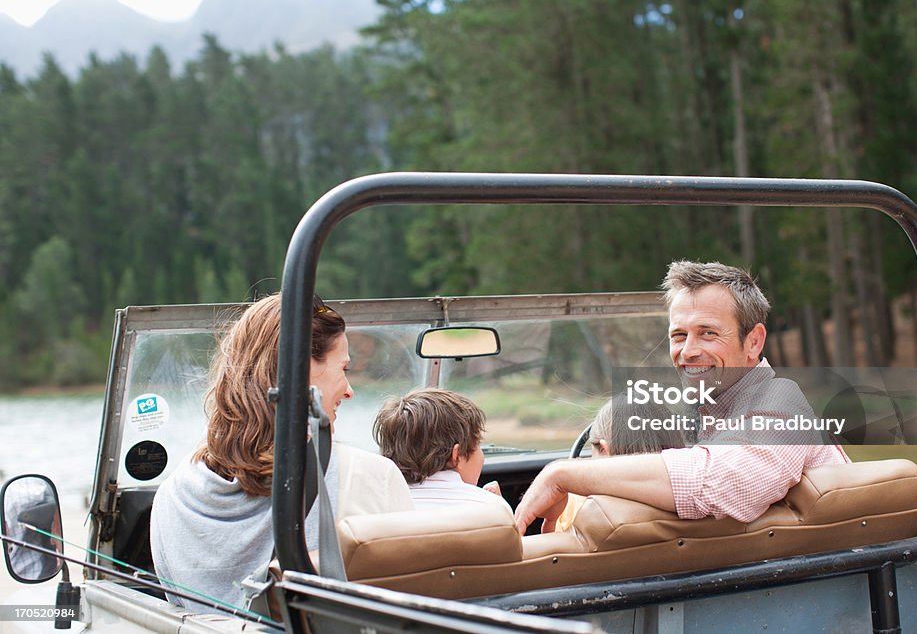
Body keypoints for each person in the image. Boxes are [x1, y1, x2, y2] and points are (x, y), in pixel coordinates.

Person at [514, 259, 850, 535]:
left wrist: (564, 475)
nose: (688, 351)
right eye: (679, 335)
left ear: (754, 342)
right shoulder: (716, 409)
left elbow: (718, 483)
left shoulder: (781, 407)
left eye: (708, 333)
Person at [150, 293, 405, 613]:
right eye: (344, 368)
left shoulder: (171, 498)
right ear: (302, 368)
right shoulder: (371, 478)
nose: (350, 389)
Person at [554, 399, 687, 532]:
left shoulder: (577, 507)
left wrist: (552, 521)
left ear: (605, 451)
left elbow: (555, 550)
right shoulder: (694, 502)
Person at [373, 388, 511, 513]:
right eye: (478, 444)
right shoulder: (493, 509)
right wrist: (497, 507)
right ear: (457, 456)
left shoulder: (376, 509)